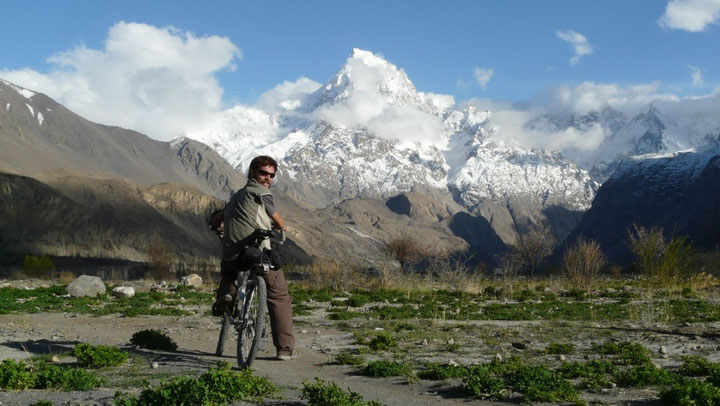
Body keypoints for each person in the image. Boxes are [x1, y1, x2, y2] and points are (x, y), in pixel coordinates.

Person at [211, 155, 296, 360]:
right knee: (279, 295)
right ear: (252, 172)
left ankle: (227, 294)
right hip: (255, 254)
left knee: (229, 272)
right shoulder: (262, 192)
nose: (267, 178)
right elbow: (272, 212)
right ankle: (284, 349)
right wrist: (282, 226)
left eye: (271, 175)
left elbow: (217, 219)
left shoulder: (236, 197)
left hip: (231, 256)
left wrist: (218, 229)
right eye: (264, 173)